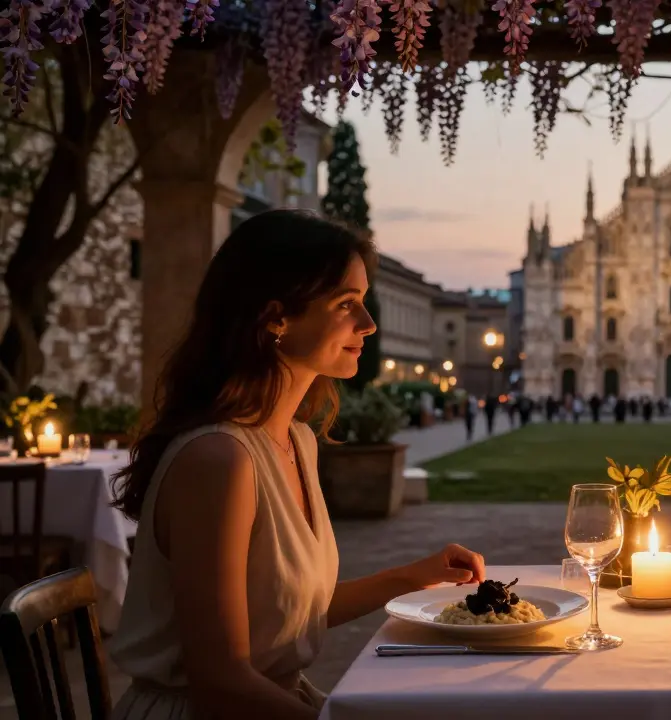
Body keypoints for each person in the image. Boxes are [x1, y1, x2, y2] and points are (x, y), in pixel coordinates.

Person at [108, 210, 486, 720]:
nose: (368, 324)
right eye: (346, 304)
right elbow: (219, 684)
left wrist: (415, 576)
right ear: (275, 319)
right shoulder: (218, 461)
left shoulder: (296, 440)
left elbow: (291, 613)